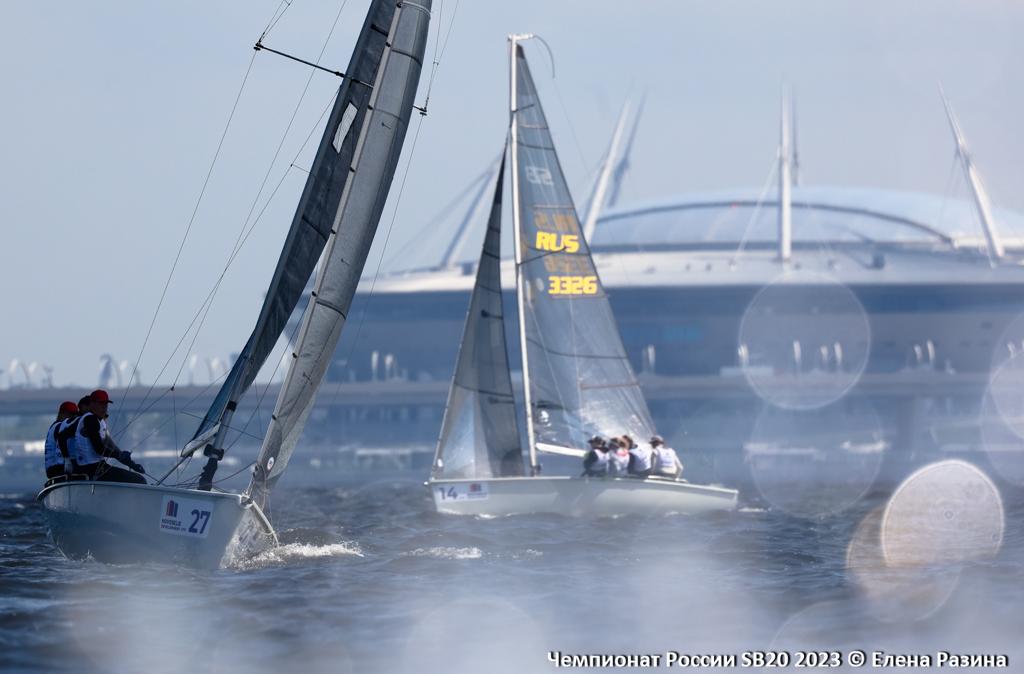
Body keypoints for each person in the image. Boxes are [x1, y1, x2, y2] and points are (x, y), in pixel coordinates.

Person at [72, 389, 147, 484]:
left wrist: (132, 464)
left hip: (98, 467)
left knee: (138, 479)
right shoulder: (90, 419)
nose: (104, 407)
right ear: (92, 404)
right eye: (101, 403)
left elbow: (113, 448)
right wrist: (118, 455)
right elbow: (99, 449)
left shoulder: (100, 422)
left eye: (106, 404)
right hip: (90, 468)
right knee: (139, 480)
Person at [43, 401, 78, 479]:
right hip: (55, 468)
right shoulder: (60, 427)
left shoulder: (54, 426)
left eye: (76, 415)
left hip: (51, 468)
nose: (74, 417)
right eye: (71, 414)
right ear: (62, 413)